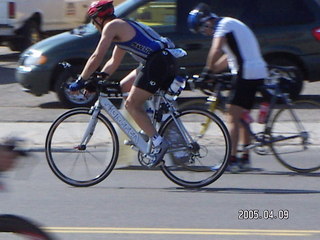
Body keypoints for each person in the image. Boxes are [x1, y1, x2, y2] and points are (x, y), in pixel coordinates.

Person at [69, 0, 186, 167]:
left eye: (93, 21)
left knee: (132, 103)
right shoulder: (121, 27)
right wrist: (94, 81)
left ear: (99, 18)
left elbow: (97, 56)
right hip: (158, 60)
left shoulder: (112, 27)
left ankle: (159, 143)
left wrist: (80, 80)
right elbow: (113, 62)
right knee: (125, 85)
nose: (93, 25)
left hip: (158, 62)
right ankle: (148, 129)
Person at [187, 3, 268, 173]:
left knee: (232, 115)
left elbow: (216, 49)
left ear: (207, 22)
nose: (205, 33)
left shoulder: (222, 26)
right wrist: (211, 72)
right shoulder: (230, 24)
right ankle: (245, 159)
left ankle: (231, 161)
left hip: (246, 72)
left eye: (202, 30)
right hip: (255, 71)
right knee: (242, 116)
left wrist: (206, 72)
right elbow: (227, 57)